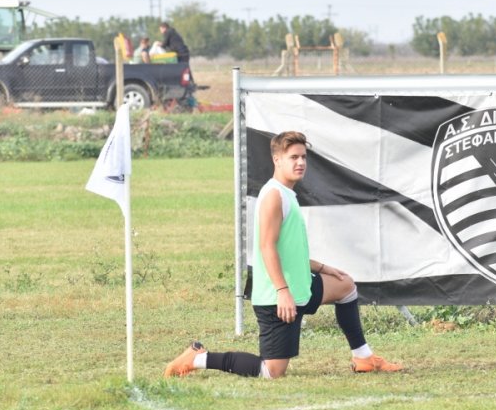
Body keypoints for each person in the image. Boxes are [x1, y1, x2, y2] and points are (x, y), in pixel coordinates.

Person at [165, 131, 402, 379]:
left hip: (302, 288)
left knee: (346, 286)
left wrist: (322, 268)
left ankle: (364, 358)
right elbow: (267, 247)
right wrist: (282, 291)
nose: (300, 163)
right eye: (293, 157)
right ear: (277, 160)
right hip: (277, 297)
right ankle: (198, 358)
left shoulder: (288, 193)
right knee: (271, 372)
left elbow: (288, 249)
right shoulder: (274, 196)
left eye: (303, 157)